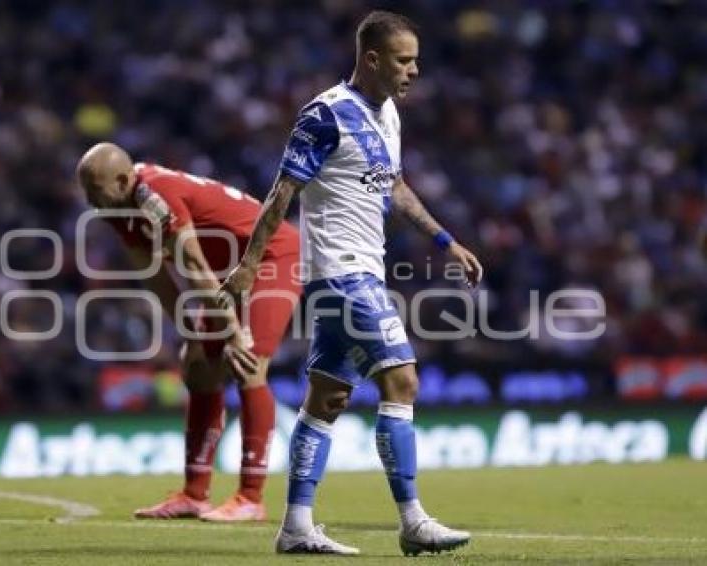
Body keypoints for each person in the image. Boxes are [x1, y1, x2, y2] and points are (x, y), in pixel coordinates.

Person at [219, 10, 483, 555]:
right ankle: (412, 520)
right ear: (372, 58)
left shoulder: (387, 115)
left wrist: (443, 240)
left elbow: (396, 188)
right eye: (405, 60)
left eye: (416, 60)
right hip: (340, 272)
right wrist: (249, 264)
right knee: (402, 380)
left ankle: (295, 525)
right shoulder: (326, 114)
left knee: (328, 398)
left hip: (360, 268)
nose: (414, 71)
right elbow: (281, 194)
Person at [76, 142, 301, 522]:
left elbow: (194, 266)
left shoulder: (154, 197)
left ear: (121, 179)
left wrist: (232, 333)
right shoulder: (116, 206)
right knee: (198, 367)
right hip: (225, 273)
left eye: (94, 190)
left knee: (247, 363)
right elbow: (155, 276)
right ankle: (194, 495)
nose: (89, 199)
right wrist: (190, 333)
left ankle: (250, 497)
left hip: (270, 256)